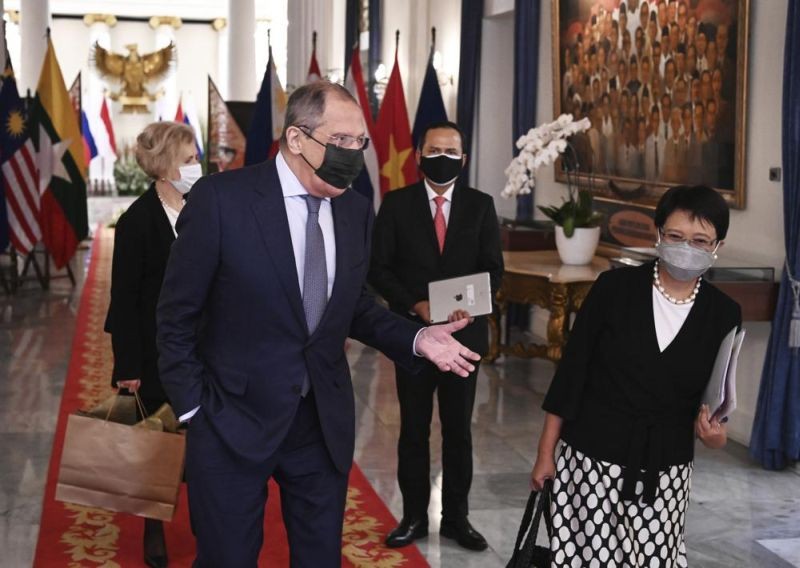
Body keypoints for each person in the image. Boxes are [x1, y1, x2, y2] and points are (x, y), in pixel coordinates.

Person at [155, 80, 481, 567]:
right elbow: (175, 316)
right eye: (340, 141)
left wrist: (416, 338)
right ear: (295, 139)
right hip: (230, 417)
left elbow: (354, 308)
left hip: (319, 422)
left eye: (359, 143)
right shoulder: (223, 200)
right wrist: (193, 411)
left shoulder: (353, 209)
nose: (352, 154)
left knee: (319, 557)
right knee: (228, 557)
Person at [530, 185, 741, 567]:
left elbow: (717, 407)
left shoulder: (724, 314)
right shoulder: (613, 289)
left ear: (717, 246)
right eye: (675, 236)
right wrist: (546, 455)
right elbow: (569, 379)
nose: (686, 247)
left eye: (700, 240)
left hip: (666, 467)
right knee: (584, 558)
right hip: (590, 458)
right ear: (658, 234)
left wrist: (716, 437)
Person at [368, 121, 504, 552]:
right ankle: (412, 517)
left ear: (463, 159)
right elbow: (379, 269)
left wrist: (471, 306)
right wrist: (417, 306)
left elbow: (493, 269)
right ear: (419, 155)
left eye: (451, 151)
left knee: (458, 431)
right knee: (413, 429)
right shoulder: (395, 204)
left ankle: (456, 519)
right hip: (415, 335)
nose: (442, 157)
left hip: (465, 336)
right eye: (434, 150)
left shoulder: (480, 206)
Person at [104, 121, 201, 568]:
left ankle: (206, 516)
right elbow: (123, 301)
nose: (197, 166)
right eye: (189, 159)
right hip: (156, 354)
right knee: (157, 445)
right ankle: (153, 528)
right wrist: (128, 364)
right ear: (165, 166)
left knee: (204, 443)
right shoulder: (137, 222)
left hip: (207, 353)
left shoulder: (207, 208)